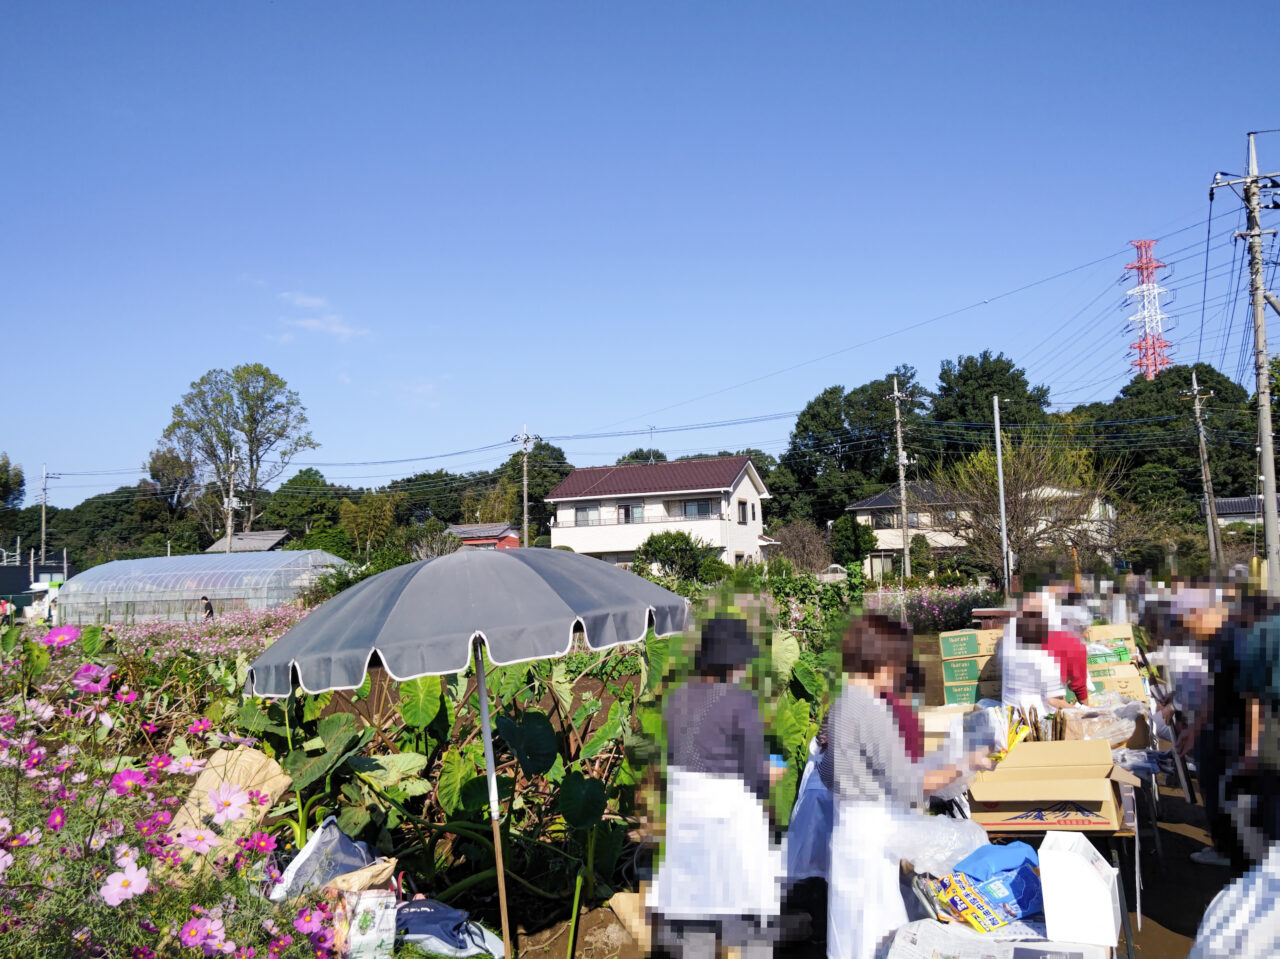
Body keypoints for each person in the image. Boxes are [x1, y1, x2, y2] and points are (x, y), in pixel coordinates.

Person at [821, 614, 989, 959]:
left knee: (851, 934)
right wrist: (965, 764)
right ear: (880, 659)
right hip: (872, 839)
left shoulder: (842, 702)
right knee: (879, 937)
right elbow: (910, 783)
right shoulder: (869, 708)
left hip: (848, 833)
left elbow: (827, 772)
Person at [651, 617, 783, 959]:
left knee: (697, 913)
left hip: (687, 819)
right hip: (728, 819)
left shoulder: (676, 699)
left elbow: (676, 758)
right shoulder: (741, 701)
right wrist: (773, 774)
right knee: (748, 918)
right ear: (733, 662)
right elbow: (754, 773)